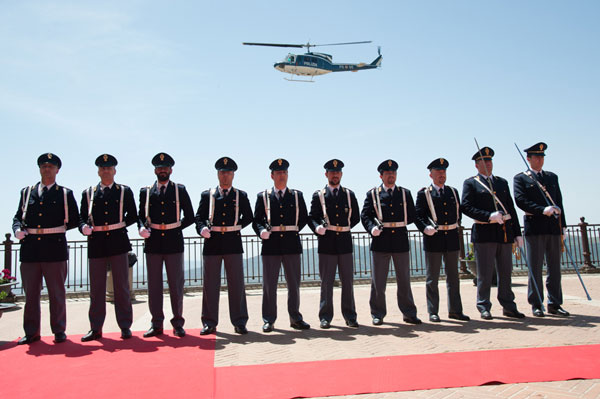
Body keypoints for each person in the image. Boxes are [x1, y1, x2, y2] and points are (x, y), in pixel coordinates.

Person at [12, 153, 79, 344]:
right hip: (31, 249)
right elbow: (18, 216)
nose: (46, 169)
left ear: (57, 170)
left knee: (56, 293)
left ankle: (59, 330)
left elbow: (74, 219)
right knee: (31, 294)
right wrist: (17, 229)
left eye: (50, 166)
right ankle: (31, 332)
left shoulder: (65, 194)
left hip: (54, 249)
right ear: (39, 169)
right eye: (43, 166)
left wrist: (55, 229)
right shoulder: (27, 192)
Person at [79, 154, 138, 341]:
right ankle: (95, 327)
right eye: (103, 168)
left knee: (121, 287)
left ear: (114, 171)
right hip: (96, 243)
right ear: (98, 171)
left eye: (109, 168)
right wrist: (83, 228)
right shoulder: (88, 193)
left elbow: (133, 215)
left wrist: (118, 226)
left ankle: (125, 326)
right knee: (96, 289)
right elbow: (81, 217)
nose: (106, 170)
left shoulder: (124, 191)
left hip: (118, 242)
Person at [461, 146, 525, 320]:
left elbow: (510, 208)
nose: (488, 163)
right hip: (484, 233)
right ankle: (483, 306)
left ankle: (508, 305)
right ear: (477, 165)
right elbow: (466, 207)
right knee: (485, 273)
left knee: (505, 272)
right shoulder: (471, 183)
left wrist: (517, 234)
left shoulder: (501, 182)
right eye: (484, 161)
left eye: (490, 160)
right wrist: (488, 216)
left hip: (504, 233)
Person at [138, 153, 195, 338]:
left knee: (175, 286)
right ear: (155, 170)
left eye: (166, 167)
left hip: (173, 242)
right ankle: (156, 324)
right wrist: (141, 227)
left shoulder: (179, 189)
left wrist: (177, 229)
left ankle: (178, 322)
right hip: (153, 242)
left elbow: (190, 215)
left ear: (171, 170)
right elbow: (140, 215)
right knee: (154, 286)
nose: (163, 170)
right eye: (159, 167)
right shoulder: (146, 191)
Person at [195, 157, 253, 335]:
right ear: (218, 174)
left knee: (236, 285)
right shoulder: (208, 195)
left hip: (233, 243)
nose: (225, 175)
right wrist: (202, 228)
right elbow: (199, 217)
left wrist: (235, 228)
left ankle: (240, 321)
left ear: (233, 175)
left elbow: (249, 217)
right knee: (210, 286)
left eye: (228, 172)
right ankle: (209, 322)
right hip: (212, 243)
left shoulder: (240, 195)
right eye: (222, 172)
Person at [252, 158, 310, 332]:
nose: (282, 175)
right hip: (271, 245)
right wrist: (261, 230)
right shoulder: (263, 197)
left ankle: (295, 318)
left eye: (284, 172)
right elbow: (257, 220)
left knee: (294, 284)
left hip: (292, 244)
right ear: (272, 176)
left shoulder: (296, 195)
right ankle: (269, 319)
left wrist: (294, 229)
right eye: (278, 173)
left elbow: (304, 217)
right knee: (270, 285)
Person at [361, 159, 421, 325]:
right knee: (378, 282)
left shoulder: (404, 193)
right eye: (388, 173)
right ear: (381, 176)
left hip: (400, 239)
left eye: (393, 173)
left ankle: (409, 313)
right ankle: (378, 314)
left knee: (404, 280)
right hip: (381, 241)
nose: (391, 176)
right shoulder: (373, 194)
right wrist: (372, 227)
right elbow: (365, 215)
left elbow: (412, 214)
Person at [513, 142, 569, 317]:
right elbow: (520, 201)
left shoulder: (552, 177)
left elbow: (559, 201)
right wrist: (541, 210)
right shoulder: (521, 178)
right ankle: (536, 303)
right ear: (529, 159)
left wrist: (563, 225)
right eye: (536, 156)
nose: (540, 159)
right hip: (535, 228)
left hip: (553, 228)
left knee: (555, 268)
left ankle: (555, 303)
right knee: (535, 268)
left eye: (542, 156)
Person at [415, 158, 469, 322]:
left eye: (444, 171)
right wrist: (425, 228)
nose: (441, 175)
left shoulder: (452, 192)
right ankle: (433, 311)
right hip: (434, 239)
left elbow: (458, 214)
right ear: (431, 174)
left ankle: (455, 310)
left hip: (451, 238)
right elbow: (418, 215)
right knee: (433, 278)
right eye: (438, 172)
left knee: (453, 277)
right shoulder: (424, 193)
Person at [308, 159, 360, 329]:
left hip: (344, 242)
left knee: (348, 282)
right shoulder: (319, 195)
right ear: (326, 174)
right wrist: (317, 228)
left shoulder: (349, 195)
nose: (335, 175)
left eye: (338, 172)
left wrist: (345, 227)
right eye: (332, 172)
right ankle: (325, 317)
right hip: (327, 243)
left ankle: (350, 316)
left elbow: (356, 217)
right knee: (326, 283)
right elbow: (312, 217)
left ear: (341, 174)